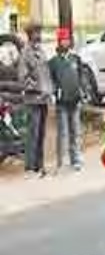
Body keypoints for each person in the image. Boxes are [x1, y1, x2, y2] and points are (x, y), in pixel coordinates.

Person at [47, 28, 84, 173]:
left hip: (75, 100)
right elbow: (50, 80)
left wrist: (81, 92)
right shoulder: (53, 62)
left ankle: (76, 159)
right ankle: (61, 161)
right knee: (63, 132)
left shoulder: (76, 59)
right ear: (59, 42)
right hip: (62, 102)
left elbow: (80, 77)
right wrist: (54, 92)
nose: (65, 42)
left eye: (67, 39)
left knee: (76, 131)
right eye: (63, 40)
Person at [17, 23, 51, 177]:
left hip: (43, 99)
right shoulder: (26, 53)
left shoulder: (41, 51)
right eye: (37, 32)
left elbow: (46, 74)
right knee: (33, 134)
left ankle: (39, 165)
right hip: (33, 99)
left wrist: (48, 90)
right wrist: (36, 87)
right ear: (30, 34)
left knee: (41, 134)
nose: (40, 35)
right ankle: (30, 167)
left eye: (40, 32)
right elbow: (23, 77)